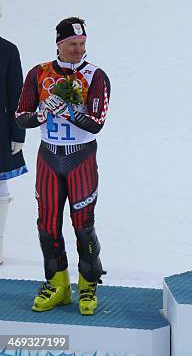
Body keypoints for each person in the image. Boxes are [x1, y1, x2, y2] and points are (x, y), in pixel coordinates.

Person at [15, 17, 111, 315]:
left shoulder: (96, 76)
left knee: (83, 227)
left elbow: (96, 124)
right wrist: (42, 115)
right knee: (47, 226)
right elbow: (21, 116)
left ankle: (88, 285)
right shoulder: (38, 73)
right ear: (59, 44)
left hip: (80, 158)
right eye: (72, 44)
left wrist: (67, 111)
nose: (78, 50)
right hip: (49, 158)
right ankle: (58, 285)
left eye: (82, 44)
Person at [0, 3, 27, 265]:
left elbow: (17, 94)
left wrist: (18, 133)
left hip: (0, 131)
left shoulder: (8, 50)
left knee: (0, 187)